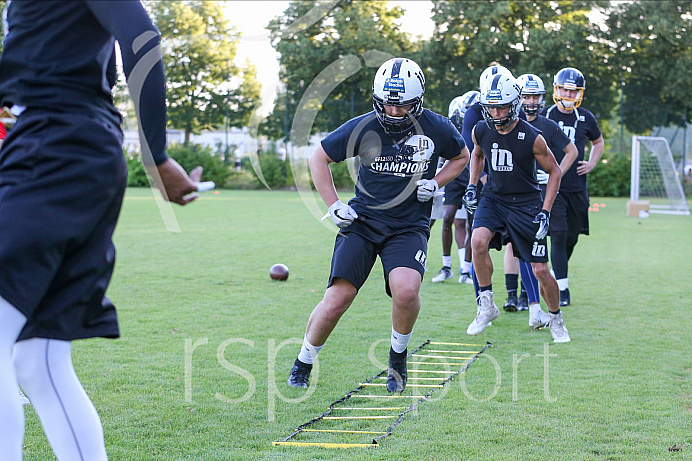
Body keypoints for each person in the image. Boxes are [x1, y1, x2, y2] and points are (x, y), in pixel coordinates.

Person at [0, 2, 205, 459]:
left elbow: (140, 36)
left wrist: (155, 153)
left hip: (56, 145)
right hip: (72, 147)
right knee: (39, 362)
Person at [287, 58, 470, 392]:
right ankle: (304, 360)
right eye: (387, 104)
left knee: (406, 290)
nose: (394, 112)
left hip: (408, 224)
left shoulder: (437, 126)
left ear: (419, 101)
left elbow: (462, 156)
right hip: (364, 221)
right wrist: (334, 205)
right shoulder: (363, 126)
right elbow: (319, 157)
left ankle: (397, 359)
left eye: (403, 106)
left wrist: (438, 182)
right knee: (337, 299)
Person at [463, 72, 570, 343]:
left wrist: (545, 210)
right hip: (494, 198)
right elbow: (477, 155)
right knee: (477, 241)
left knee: (540, 270)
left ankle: (556, 319)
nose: (496, 114)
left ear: (514, 105)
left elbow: (555, 172)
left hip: (526, 203)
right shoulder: (481, 129)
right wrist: (474, 185)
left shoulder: (533, 137)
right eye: (491, 107)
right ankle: (486, 304)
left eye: (501, 107)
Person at [501, 74, 579, 314]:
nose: (531, 101)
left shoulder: (547, 125)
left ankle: (542, 294)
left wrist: (556, 174)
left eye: (535, 96)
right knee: (515, 243)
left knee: (546, 240)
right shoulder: (508, 125)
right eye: (526, 96)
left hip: (543, 193)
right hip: (517, 193)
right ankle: (518, 295)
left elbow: (572, 151)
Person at [540, 67, 604, 306]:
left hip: (576, 186)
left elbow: (598, 142)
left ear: (580, 93)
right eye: (564, 89)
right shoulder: (544, 114)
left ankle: (556, 274)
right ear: (556, 89)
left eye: (572, 90)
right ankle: (562, 289)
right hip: (551, 187)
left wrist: (592, 163)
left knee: (572, 237)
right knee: (558, 235)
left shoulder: (585, 117)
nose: (567, 94)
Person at [431, 90, 479, 284]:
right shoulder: (454, 127)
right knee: (448, 217)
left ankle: (466, 270)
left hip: (473, 177)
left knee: (471, 223)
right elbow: (445, 151)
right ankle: (446, 266)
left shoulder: (483, 127)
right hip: (455, 176)